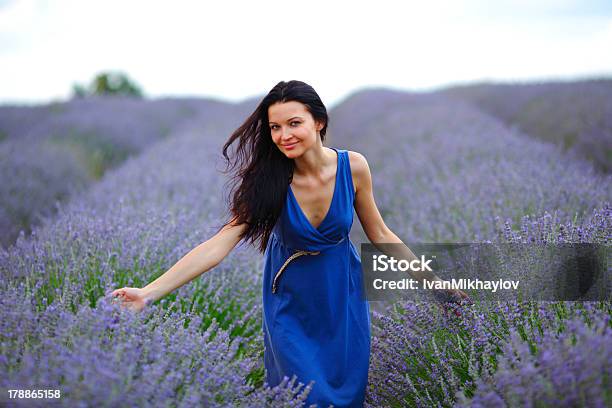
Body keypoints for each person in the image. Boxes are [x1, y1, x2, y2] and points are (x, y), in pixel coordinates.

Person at [110, 80, 470, 407]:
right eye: (275, 127)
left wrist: (438, 288)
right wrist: (148, 293)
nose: (283, 135)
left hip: (341, 298)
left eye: (293, 123)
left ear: (319, 122)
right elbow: (219, 245)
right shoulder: (270, 181)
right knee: (306, 397)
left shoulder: (353, 167)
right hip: (290, 302)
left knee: (346, 397)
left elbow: (381, 235)